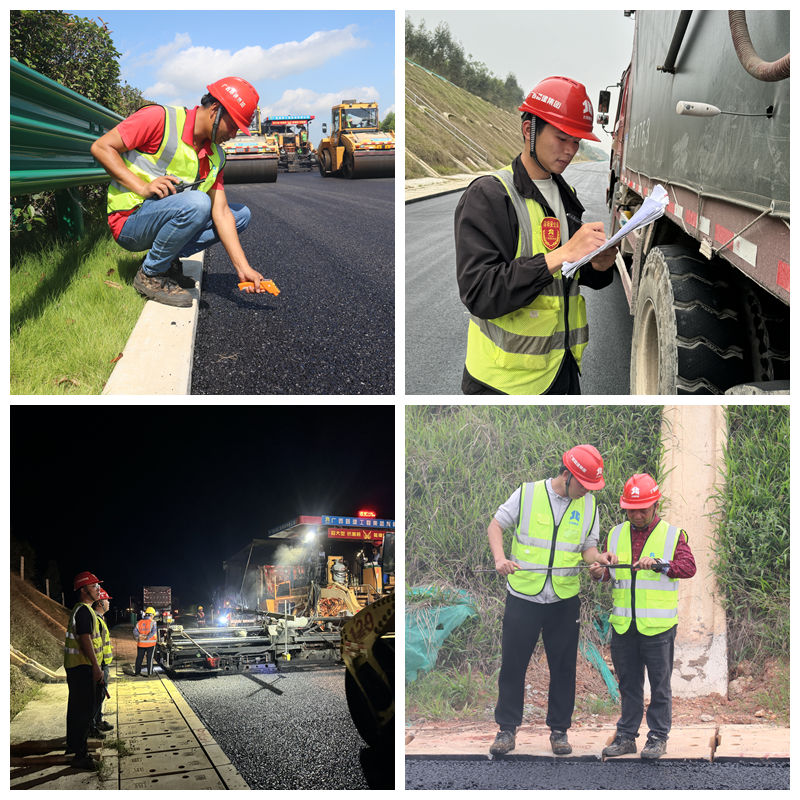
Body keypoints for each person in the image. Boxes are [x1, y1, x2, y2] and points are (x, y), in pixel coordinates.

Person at [455, 76, 618, 395]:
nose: (570, 150)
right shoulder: (490, 195)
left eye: (577, 142)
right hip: (504, 382)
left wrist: (598, 266)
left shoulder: (566, 193)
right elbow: (479, 292)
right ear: (529, 130)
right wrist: (561, 254)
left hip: (562, 369)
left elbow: (568, 277)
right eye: (562, 138)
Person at [90, 76, 269, 308]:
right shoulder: (160, 119)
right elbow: (101, 147)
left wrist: (243, 268)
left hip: (165, 217)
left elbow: (222, 213)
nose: (234, 134)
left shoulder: (217, 156)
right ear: (215, 110)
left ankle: (165, 259)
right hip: (129, 219)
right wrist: (142, 187)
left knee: (239, 216)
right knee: (198, 202)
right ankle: (150, 275)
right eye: (233, 125)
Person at [487, 445, 617, 756]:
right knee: (513, 664)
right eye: (583, 485)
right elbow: (496, 525)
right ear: (567, 475)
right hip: (523, 595)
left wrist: (598, 559)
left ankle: (559, 731)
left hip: (564, 598)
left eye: (591, 488)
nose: (586, 491)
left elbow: (588, 548)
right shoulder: (528, 493)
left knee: (563, 667)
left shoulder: (588, 505)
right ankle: (507, 729)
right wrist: (500, 559)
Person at [589, 473, 696, 760]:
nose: (636, 515)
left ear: (655, 506)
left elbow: (688, 567)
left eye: (643, 509)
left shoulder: (674, 535)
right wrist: (600, 573)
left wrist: (661, 565)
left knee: (659, 686)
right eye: (631, 509)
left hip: (658, 628)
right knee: (628, 684)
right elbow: (610, 573)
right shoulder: (615, 534)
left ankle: (658, 737)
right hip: (624, 625)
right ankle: (626, 736)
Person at [63, 571, 106, 770]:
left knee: (76, 709)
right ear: (83, 589)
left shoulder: (81, 610)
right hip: (82, 667)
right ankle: (80, 756)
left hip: (77, 666)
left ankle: (73, 746)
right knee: (83, 711)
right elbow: (85, 638)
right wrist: (96, 667)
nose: (98, 589)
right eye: (94, 586)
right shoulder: (83, 611)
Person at [91, 588, 114, 737]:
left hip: (102, 664)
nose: (109, 603)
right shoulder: (96, 620)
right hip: (99, 665)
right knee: (95, 697)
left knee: (99, 696)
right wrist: (97, 667)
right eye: (107, 600)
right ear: (100, 602)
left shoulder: (99, 619)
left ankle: (98, 721)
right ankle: (93, 725)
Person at [134, 607, 158, 676]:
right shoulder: (153, 622)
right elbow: (153, 632)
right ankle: (149, 673)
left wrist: (139, 636)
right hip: (151, 644)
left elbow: (135, 631)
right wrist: (147, 637)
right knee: (149, 659)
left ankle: (137, 673)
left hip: (141, 644)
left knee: (139, 658)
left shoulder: (139, 622)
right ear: (152, 615)